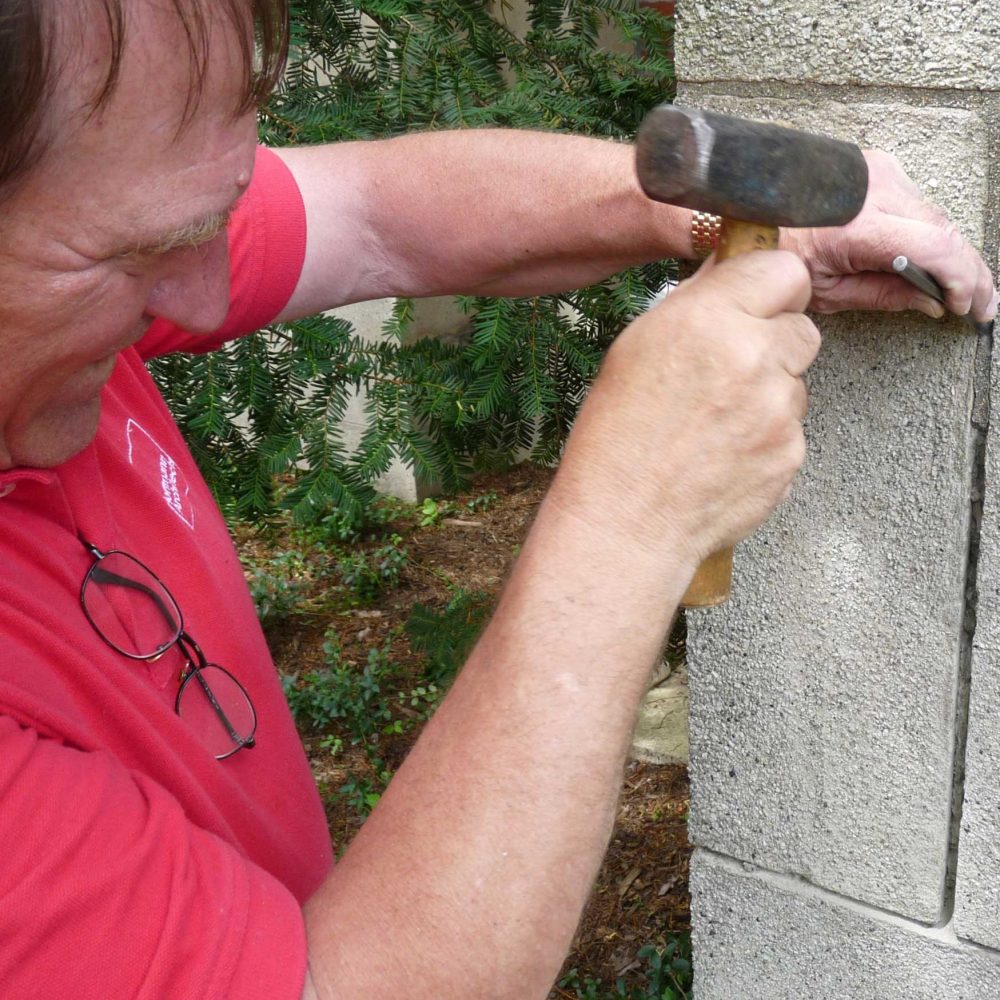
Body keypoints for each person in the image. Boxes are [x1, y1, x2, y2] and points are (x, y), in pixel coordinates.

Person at [0, 2, 994, 998]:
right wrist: (627, 521)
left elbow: (372, 213)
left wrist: (712, 208)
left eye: (210, 222)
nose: (208, 300)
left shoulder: (81, 217)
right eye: (133, 255)